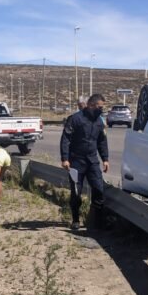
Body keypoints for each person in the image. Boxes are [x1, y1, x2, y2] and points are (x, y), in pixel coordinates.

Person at [60, 93, 109, 230]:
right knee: (76, 192)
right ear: (91, 105)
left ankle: (98, 222)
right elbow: (66, 139)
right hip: (76, 161)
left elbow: (102, 141)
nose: (101, 109)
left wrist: (105, 159)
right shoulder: (75, 119)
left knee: (99, 189)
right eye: (100, 107)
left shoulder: (99, 122)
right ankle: (76, 219)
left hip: (92, 162)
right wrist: (65, 158)